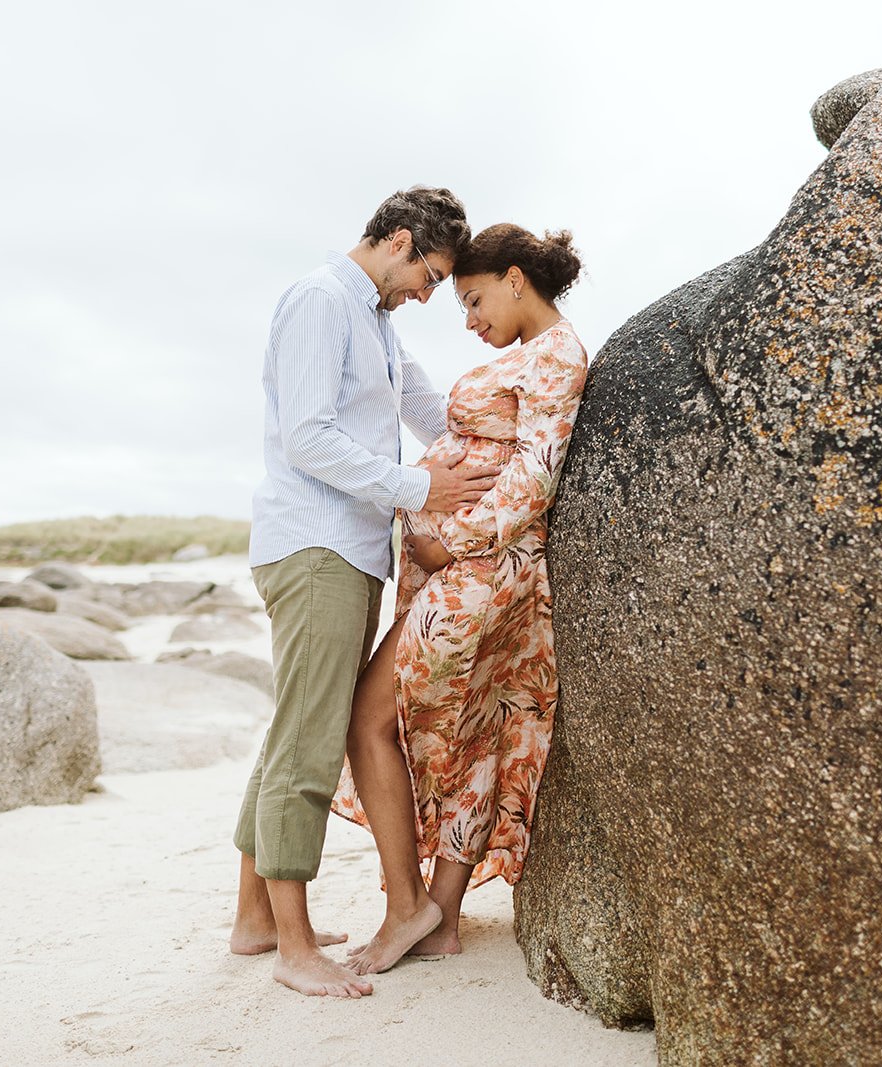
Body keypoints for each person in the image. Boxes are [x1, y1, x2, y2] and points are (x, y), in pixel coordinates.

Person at [230, 187, 502, 999]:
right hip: (314, 546)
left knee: (294, 728)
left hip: (346, 551)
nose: (430, 293)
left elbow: (426, 407)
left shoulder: (376, 321)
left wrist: (502, 444)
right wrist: (417, 488)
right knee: (310, 742)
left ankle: (251, 918)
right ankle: (293, 945)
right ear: (399, 240)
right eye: (431, 274)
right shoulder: (320, 301)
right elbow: (307, 435)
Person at [332, 223, 589, 974]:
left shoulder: (556, 353)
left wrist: (450, 541)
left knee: (367, 717)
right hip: (479, 574)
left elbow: (535, 474)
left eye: (474, 299)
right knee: (480, 728)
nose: (470, 320)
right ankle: (440, 919)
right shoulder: (531, 355)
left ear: (516, 279)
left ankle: (408, 909)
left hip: (480, 572)